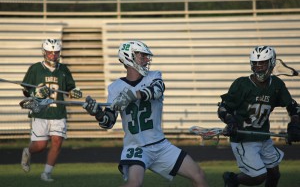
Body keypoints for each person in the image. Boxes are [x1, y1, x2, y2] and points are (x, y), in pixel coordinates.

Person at [83, 40, 208, 187]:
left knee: (198, 175)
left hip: (160, 145)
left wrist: (133, 95)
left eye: (146, 56)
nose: (146, 59)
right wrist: (97, 113)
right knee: (134, 183)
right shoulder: (115, 87)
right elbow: (108, 122)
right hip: (136, 147)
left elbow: (158, 90)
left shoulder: (153, 76)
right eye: (142, 56)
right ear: (128, 57)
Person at [217, 46, 300, 187]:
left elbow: (294, 108)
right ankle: (233, 180)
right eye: (255, 63)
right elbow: (223, 108)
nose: (259, 67)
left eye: (263, 63)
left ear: (272, 63)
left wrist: (294, 125)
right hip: (244, 138)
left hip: (263, 136)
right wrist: (230, 121)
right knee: (259, 176)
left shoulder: (277, 85)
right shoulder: (242, 84)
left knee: (274, 174)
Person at [20, 39, 82, 182]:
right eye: (50, 52)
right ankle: (28, 151)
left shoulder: (64, 70)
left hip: (58, 112)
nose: (53, 55)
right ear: (44, 52)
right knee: (40, 146)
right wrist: (36, 93)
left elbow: (69, 89)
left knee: (57, 141)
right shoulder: (35, 68)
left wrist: (74, 91)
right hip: (40, 112)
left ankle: (46, 173)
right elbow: (26, 91)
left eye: (56, 53)